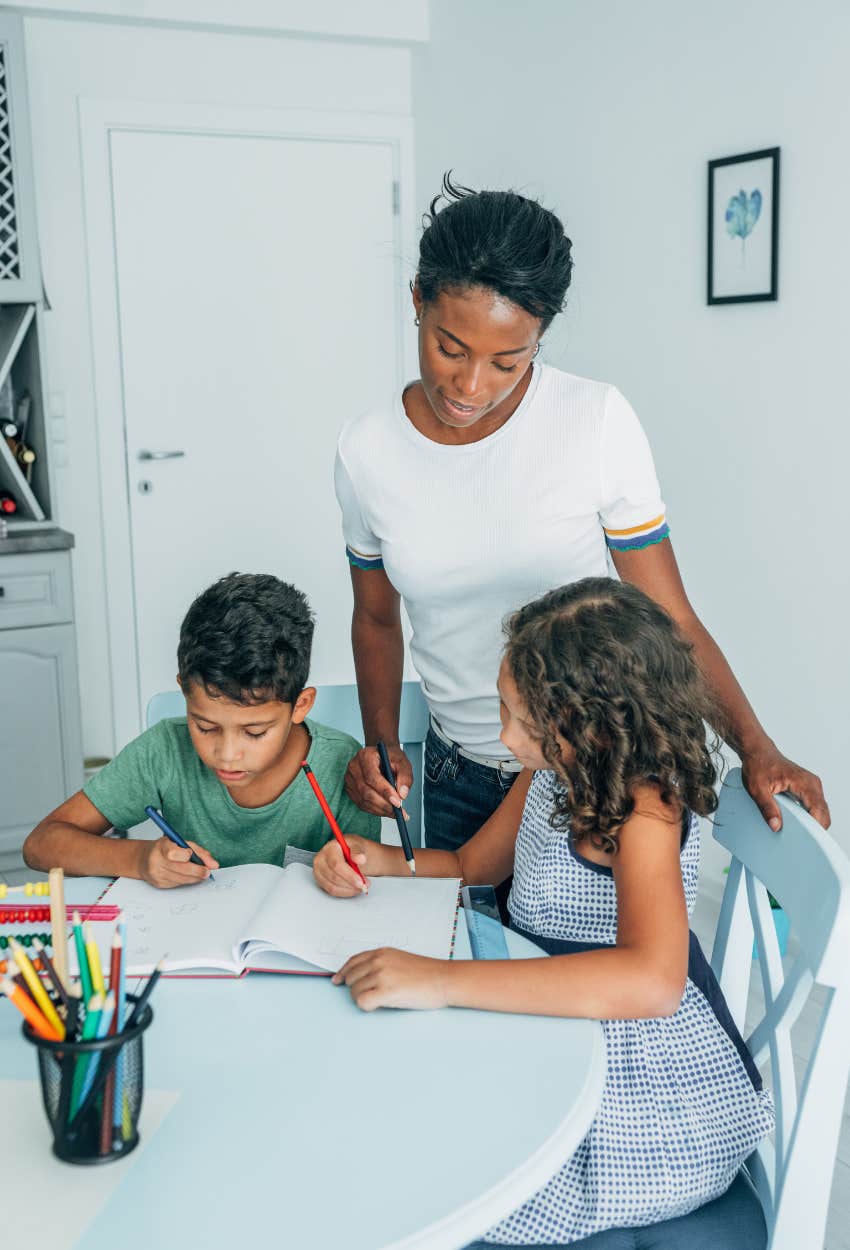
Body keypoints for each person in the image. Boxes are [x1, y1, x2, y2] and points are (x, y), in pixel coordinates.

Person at [335, 176, 828, 877]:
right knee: (458, 972)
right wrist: (379, 744)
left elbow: (669, 617)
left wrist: (755, 745)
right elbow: (376, 620)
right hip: (457, 777)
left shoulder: (593, 422)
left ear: (539, 339)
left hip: (589, 780)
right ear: (417, 300)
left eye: (508, 361)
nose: (470, 386)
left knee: (571, 977)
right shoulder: (367, 452)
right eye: (450, 348)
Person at [313, 579, 774, 1248]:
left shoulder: (647, 809)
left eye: (512, 715)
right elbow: (472, 867)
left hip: (630, 1079)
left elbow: (652, 981)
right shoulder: (552, 771)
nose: (500, 734)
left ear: (582, 725)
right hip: (543, 1014)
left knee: (448, 1176)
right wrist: (382, 862)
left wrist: (438, 981)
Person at [24, 573, 379, 886]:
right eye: (205, 726)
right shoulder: (164, 750)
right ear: (183, 691)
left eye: (254, 733)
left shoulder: (341, 764)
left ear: (300, 706)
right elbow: (42, 844)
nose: (225, 753)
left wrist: (345, 874)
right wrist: (140, 860)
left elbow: (367, 878)